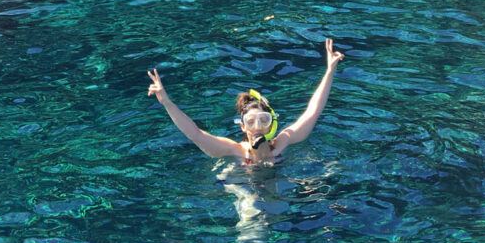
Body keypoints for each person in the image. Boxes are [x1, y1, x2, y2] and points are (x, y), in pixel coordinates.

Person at [146, 37, 344, 165]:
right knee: (252, 222)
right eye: (251, 122)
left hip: (277, 182)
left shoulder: (283, 142)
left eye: (263, 120)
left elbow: (313, 112)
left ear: (272, 123)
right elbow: (195, 134)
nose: (257, 127)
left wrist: (329, 71)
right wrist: (166, 102)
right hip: (244, 185)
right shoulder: (235, 150)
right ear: (242, 127)